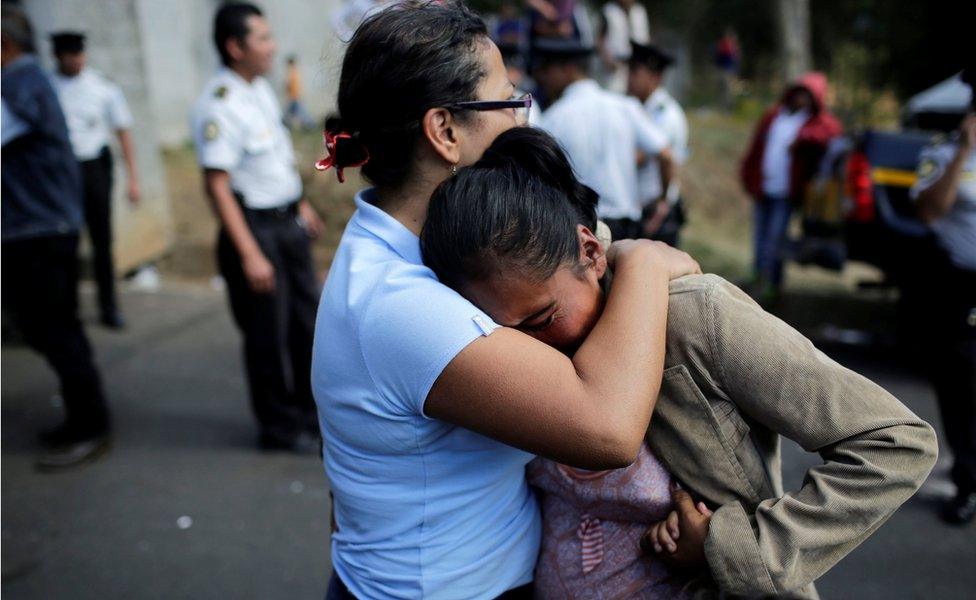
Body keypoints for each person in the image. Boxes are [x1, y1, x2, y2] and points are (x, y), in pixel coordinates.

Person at [420, 126, 939, 599]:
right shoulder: (489, 349)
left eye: (542, 319)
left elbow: (894, 443)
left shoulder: (693, 318)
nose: (527, 346)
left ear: (591, 253)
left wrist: (731, 547)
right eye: (502, 332)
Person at [310, 2, 699, 598]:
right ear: (444, 132)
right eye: (509, 102)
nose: (525, 119)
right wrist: (642, 262)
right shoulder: (399, 302)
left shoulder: (421, 249)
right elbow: (608, 429)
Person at [190, 2, 325, 453]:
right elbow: (217, 185)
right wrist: (249, 252)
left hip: (286, 221)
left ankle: (311, 414)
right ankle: (279, 428)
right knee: (268, 333)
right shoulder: (219, 104)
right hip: (254, 230)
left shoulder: (260, 90)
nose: (272, 47)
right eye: (262, 38)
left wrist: (301, 204)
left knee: (306, 324)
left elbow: (275, 161)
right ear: (235, 47)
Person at [2, 5, 111, 469]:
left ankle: (89, 426)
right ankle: (82, 420)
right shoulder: (29, 80)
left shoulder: (18, 81)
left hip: (39, 230)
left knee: (55, 328)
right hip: (39, 227)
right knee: (47, 325)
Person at [910, 66, 976, 525]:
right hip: (960, 283)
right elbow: (931, 210)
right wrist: (965, 152)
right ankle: (968, 484)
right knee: (961, 385)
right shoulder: (944, 151)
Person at [534, 37, 672, 242]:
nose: (542, 77)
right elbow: (666, 155)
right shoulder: (624, 107)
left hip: (581, 230)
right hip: (625, 227)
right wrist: (662, 200)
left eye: (547, 70)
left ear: (567, 69)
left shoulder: (553, 118)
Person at [49, 31, 140, 329]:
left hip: (95, 168)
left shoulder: (101, 86)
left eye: (79, 53)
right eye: (69, 54)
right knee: (66, 243)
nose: (76, 60)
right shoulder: (48, 87)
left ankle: (109, 307)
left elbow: (123, 130)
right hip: (64, 170)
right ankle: (68, 310)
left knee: (102, 241)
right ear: (58, 56)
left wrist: (133, 179)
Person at [739, 72, 842, 303]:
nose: (801, 100)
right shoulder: (775, 116)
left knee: (776, 239)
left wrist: (803, 138)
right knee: (759, 237)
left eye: (808, 96)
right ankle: (757, 276)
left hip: (785, 193)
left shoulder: (814, 122)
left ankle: (773, 283)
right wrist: (747, 174)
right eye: (799, 93)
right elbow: (756, 147)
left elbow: (831, 132)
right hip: (764, 187)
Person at [628, 41, 688, 246]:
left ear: (655, 77)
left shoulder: (666, 114)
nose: (629, 78)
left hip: (657, 212)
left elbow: (640, 157)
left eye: (635, 71)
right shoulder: (636, 108)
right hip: (641, 209)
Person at [597, 0, 650, 93]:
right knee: (614, 94)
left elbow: (646, 38)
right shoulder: (610, 11)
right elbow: (600, 39)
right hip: (617, 65)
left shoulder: (640, 12)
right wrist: (607, 59)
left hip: (636, 65)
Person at [283, 54, 315, 130]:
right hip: (295, 96)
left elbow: (289, 84)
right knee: (295, 112)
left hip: (294, 96)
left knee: (300, 112)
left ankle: (310, 124)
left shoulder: (291, 71)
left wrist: (286, 89)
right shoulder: (296, 71)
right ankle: (284, 124)